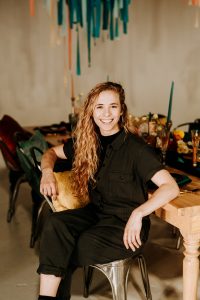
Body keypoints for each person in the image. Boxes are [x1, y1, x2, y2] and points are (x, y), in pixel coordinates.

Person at [37, 82, 179, 300]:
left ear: (121, 110)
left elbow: (171, 187)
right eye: (99, 107)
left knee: (62, 246)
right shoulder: (87, 143)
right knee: (54, 226)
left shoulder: (136, 149)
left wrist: (139, 213)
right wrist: (47, 172)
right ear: (91, 111)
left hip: (125, 227)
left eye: (113, 106)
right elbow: (50, 153)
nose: (106, 113)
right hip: (95, 214)